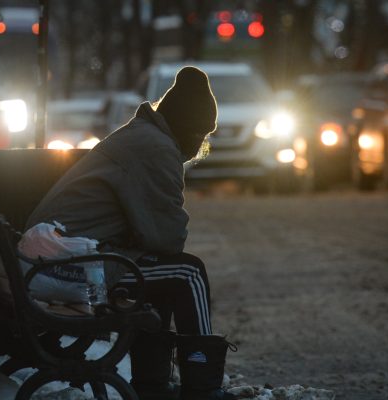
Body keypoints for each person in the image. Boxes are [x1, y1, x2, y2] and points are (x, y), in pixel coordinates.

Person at [25, 66, 235, 400]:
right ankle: (203, 385)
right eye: (200, 135)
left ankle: (153, 383)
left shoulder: (140, 135)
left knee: (158, 269)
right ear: (185, 129)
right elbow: (169, 238)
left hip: (56, 259)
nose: (201, 145)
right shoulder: (157, 149)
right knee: (187, 271)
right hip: (74, 267)